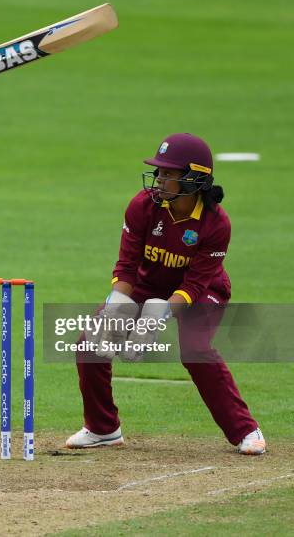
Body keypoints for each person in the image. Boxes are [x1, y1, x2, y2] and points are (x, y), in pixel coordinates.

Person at [66, 133, 266, 455]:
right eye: (158, 172)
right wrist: (117, 307)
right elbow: (127, 268)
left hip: (203, 291)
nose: (159, 180)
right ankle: (103, 428)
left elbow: (194, 286)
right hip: (147, 285)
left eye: (168, 174)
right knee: (91, 340)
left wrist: (152, 321)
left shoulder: (217, 224)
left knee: (195, 349)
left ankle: (245, 430)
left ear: (193, 179)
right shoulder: (142, 206)